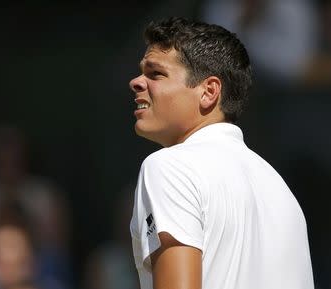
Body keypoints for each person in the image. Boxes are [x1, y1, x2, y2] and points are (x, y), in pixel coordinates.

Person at [128, 17, 314, 289]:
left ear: (209, 91)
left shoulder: (168, 167)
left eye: (155, 73)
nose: (136, 82)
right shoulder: (282, 192)